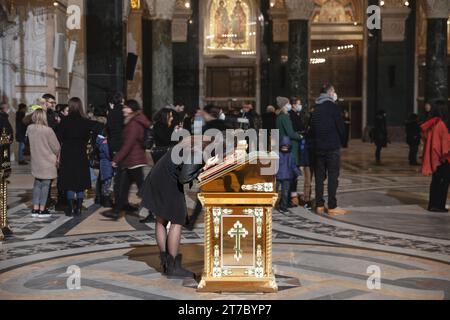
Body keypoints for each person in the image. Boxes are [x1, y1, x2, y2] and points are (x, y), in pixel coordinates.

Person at [139, 135, 221, 278]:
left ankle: (166, 260)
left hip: (158, 177)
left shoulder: (188, 145)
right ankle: (173, 267)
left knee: (161, 220)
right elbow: (185, 178)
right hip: (167, 182)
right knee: (177, 220)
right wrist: (206, 166)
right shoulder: (197, 152)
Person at [104, 100, 150, 220]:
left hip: (134, 160)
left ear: (131, 109)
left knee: (142, 189)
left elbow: (128, 144)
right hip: (131, 161)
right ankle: (117, 211)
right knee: (123, 188)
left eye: (126, 108)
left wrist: (116, 159)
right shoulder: (133, 121)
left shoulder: (133, 124)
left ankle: (154, 212)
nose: (123, 109)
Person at [57, 97, 101, 217]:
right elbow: (99, 126)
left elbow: (58, 136)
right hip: (81, 153)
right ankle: (79, 208)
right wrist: (92, 141)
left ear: (70, 106)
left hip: (67, 153)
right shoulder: (85, 121)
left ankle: (71, 208)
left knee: (70, 181)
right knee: (80, 181)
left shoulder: (65, 121)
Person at [311, 84, 346, 215]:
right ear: (330, 92)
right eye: (334, 91)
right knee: (333, 176)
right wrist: (341, 141)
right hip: (332, 147)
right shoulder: (334, 107)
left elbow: (313, 127)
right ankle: (332, 206)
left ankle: (319, 205)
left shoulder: (316, 108)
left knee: (319, 177)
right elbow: (341, 128)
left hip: (318, 147)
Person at [26, 110, 61, 218]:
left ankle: (35, 208)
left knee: (37, 184)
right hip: (47, 160)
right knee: (45, 185)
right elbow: (56, 147)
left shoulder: (30, 128)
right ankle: (42, 209)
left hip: (36, 159)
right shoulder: (48, 130)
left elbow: (27, 142)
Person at [421, 100, 450, 213]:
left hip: (435, 157)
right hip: (442, 157)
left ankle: (433, 204)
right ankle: (438, 205)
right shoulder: (440, 124)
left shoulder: (432, 122)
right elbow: (444, 143)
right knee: (443, 181)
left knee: (436, 180)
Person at [276, 96, 302, 207]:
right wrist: (300, 136)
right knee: (290, 175)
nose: (289, 105)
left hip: (281, 147)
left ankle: (282, 200)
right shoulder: (285, 117)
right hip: (290, 148)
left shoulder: (278, 117)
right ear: (284, 105)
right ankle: (285, 201)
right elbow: (291, 133)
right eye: (287, 104)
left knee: (283, 174)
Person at [277, 136, 301, 214]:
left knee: (285, 193)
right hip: (278, 176)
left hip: (286, 177)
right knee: (275, 192)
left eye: (286, 146)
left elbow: (293, 166)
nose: (284, 148)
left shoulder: (291, 156)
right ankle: (271, 205)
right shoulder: (278, 154)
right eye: (283, 146)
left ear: (289, 147)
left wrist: (297, 173)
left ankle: (283, 206)